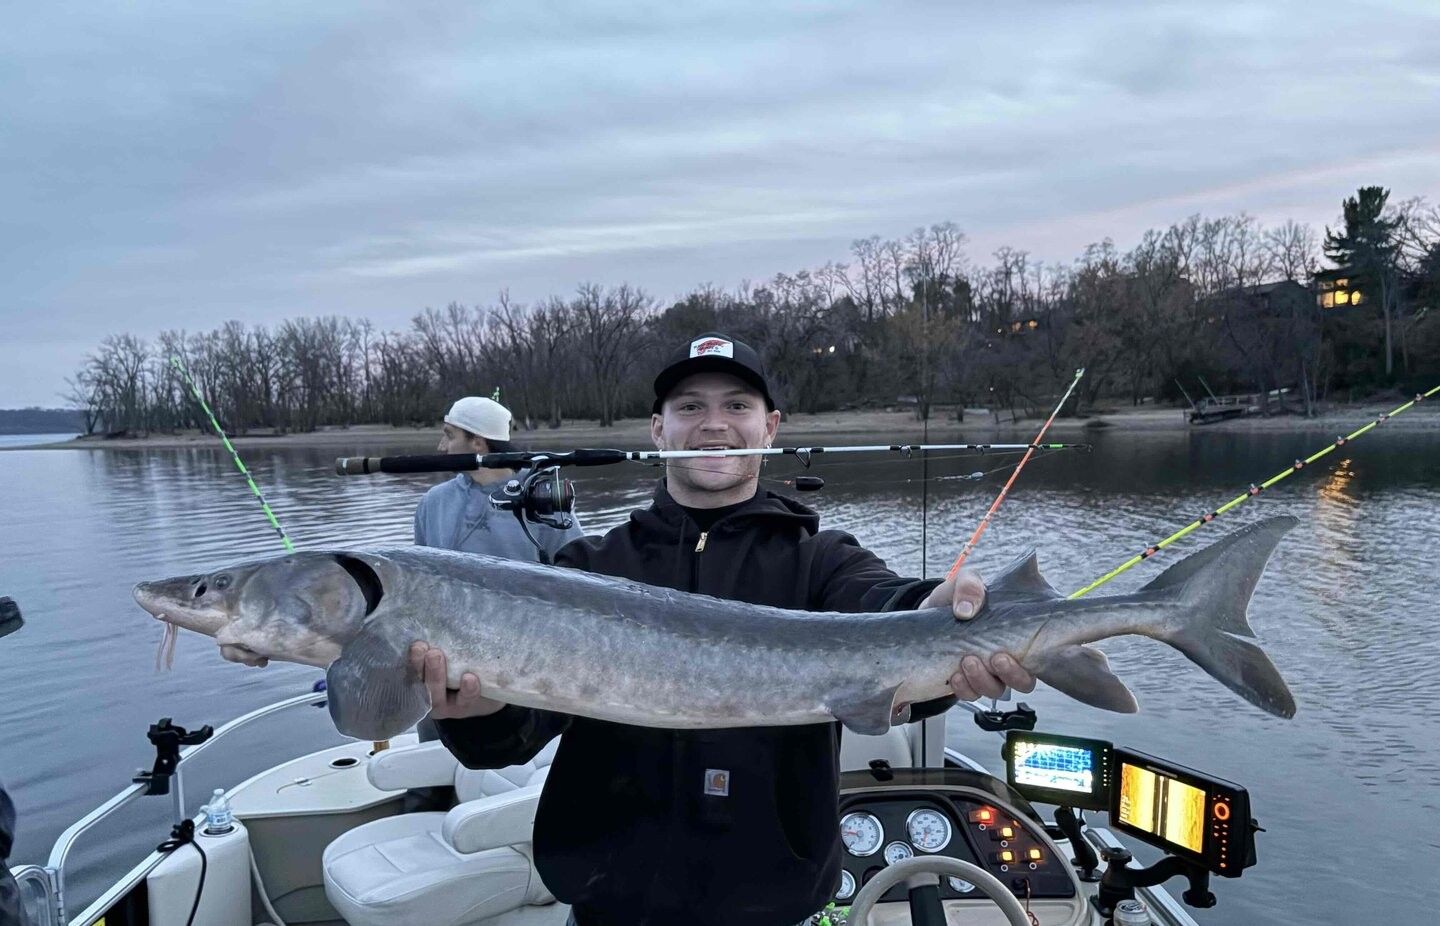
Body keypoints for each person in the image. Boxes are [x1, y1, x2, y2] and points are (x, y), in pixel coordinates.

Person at [414, 332, 1035, 926]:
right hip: (608, 907)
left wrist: (940, 610)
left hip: (775, 909)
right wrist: (472, 713)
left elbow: (885, 606)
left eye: (737, 405)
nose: (713, 424)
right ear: (660, 429)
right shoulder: (588, 571)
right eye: (690, 406)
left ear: (770, 426)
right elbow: (514, 736)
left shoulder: (822, 561)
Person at [414, 395, 584, 562]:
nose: (441, 446)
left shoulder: (542, 500)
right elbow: (420, 572)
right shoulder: (433, 501)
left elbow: (576, 571)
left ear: (478, 443)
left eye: (449, 436)